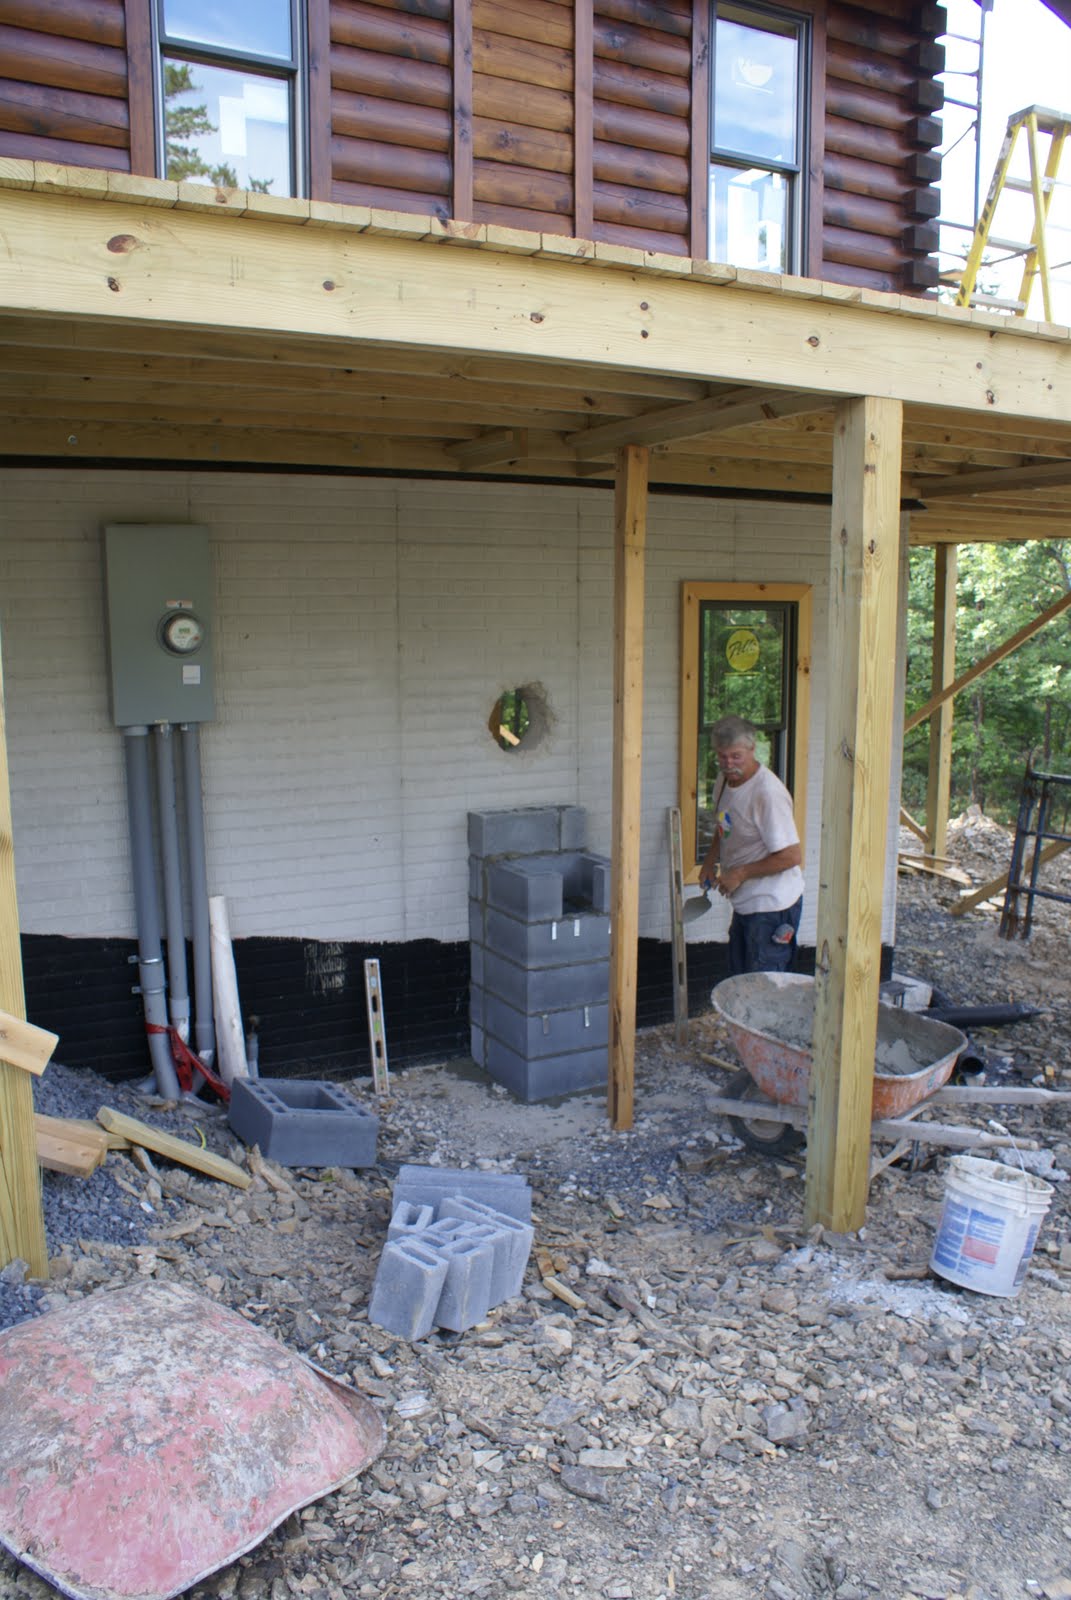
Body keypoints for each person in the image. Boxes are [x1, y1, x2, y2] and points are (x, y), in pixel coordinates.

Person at [698, 715, 803, 977]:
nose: (728, 764)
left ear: (752, 749)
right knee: (741, 979)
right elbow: (725, 824)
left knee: (766, 985)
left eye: (736, 756)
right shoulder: (724, 781)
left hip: (773, 907)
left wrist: (739, 873)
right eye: (722, 757)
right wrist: (710, 861)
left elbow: (791, 856)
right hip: (746, 903)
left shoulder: (767, 793)